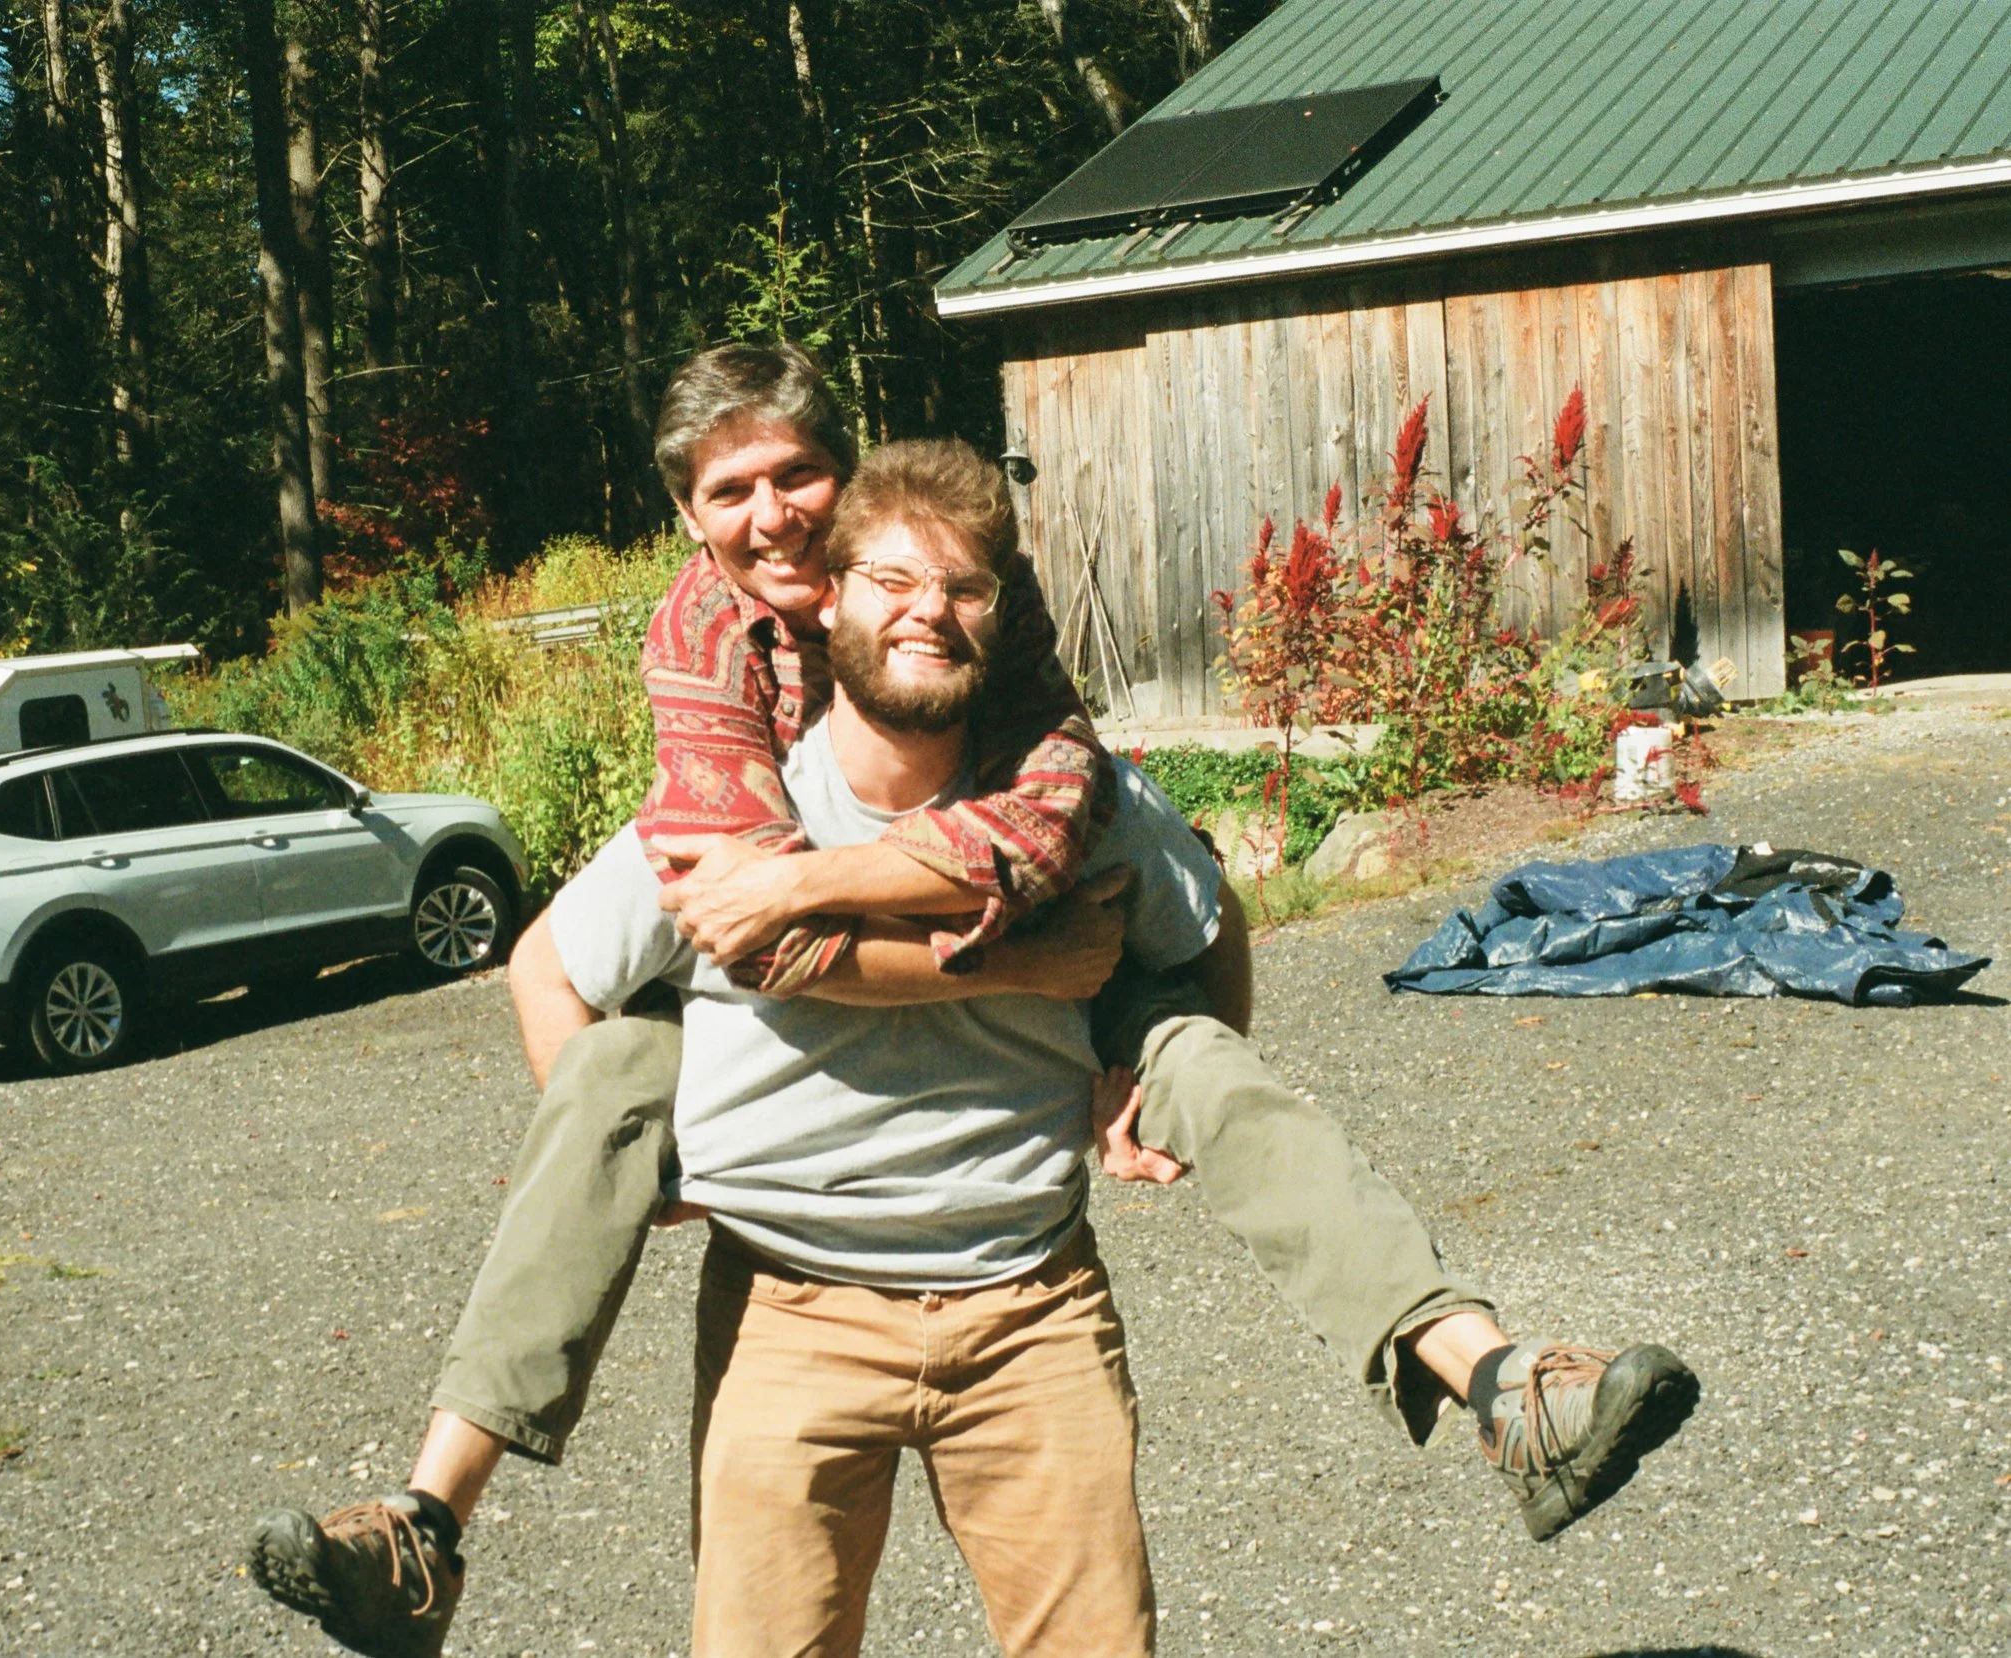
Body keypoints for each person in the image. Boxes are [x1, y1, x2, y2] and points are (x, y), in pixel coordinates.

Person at [249, 417, 1699, 1657]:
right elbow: (543, 967)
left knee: (1203, 1067)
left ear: (1004, 616)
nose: (925, 610)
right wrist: (640, 1150)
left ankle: (1501, 1384)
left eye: (964, 586)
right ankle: (431, 1516)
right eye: (889, 578)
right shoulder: (726, 816)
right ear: (826, 602)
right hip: (789, 1316)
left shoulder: (1073, 796)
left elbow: (1212, 922)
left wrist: (1136, 1074)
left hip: (1030, 1313)